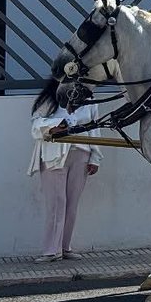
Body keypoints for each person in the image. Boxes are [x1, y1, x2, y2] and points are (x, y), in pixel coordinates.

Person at [28, 90, 103, 263]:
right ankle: (51, 250)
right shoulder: (50, 96)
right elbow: (36, 122)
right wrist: (56, 125)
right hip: (54, 153)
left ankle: (64, 247)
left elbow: (94, 127)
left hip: (82, 153)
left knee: (71, 203)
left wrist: (95, 157)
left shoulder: (89, 98)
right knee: (56, 202)